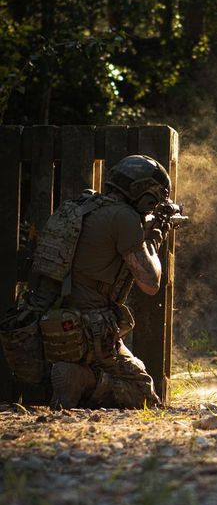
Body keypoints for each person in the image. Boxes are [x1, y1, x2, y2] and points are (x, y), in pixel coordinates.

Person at [29, 154, 173, 409]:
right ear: (144, 194)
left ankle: (75, 376)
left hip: (51, 322)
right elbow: (150, 282)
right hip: (90, 329)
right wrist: (155, 239)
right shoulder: (124, 217)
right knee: (143, 392)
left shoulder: (81, 206)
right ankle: (81, 378)